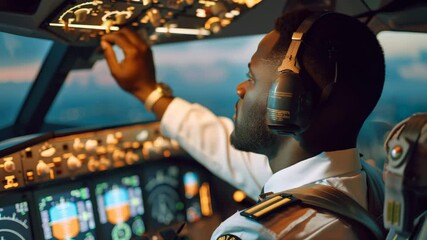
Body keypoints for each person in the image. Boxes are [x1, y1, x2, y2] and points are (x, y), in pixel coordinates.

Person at [100, 9, 385, 240]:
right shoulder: (370, 187)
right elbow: (229, 154)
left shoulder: (257, 233)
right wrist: (148, 91)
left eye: (251, 77)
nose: (240, 88)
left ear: (289, 102)